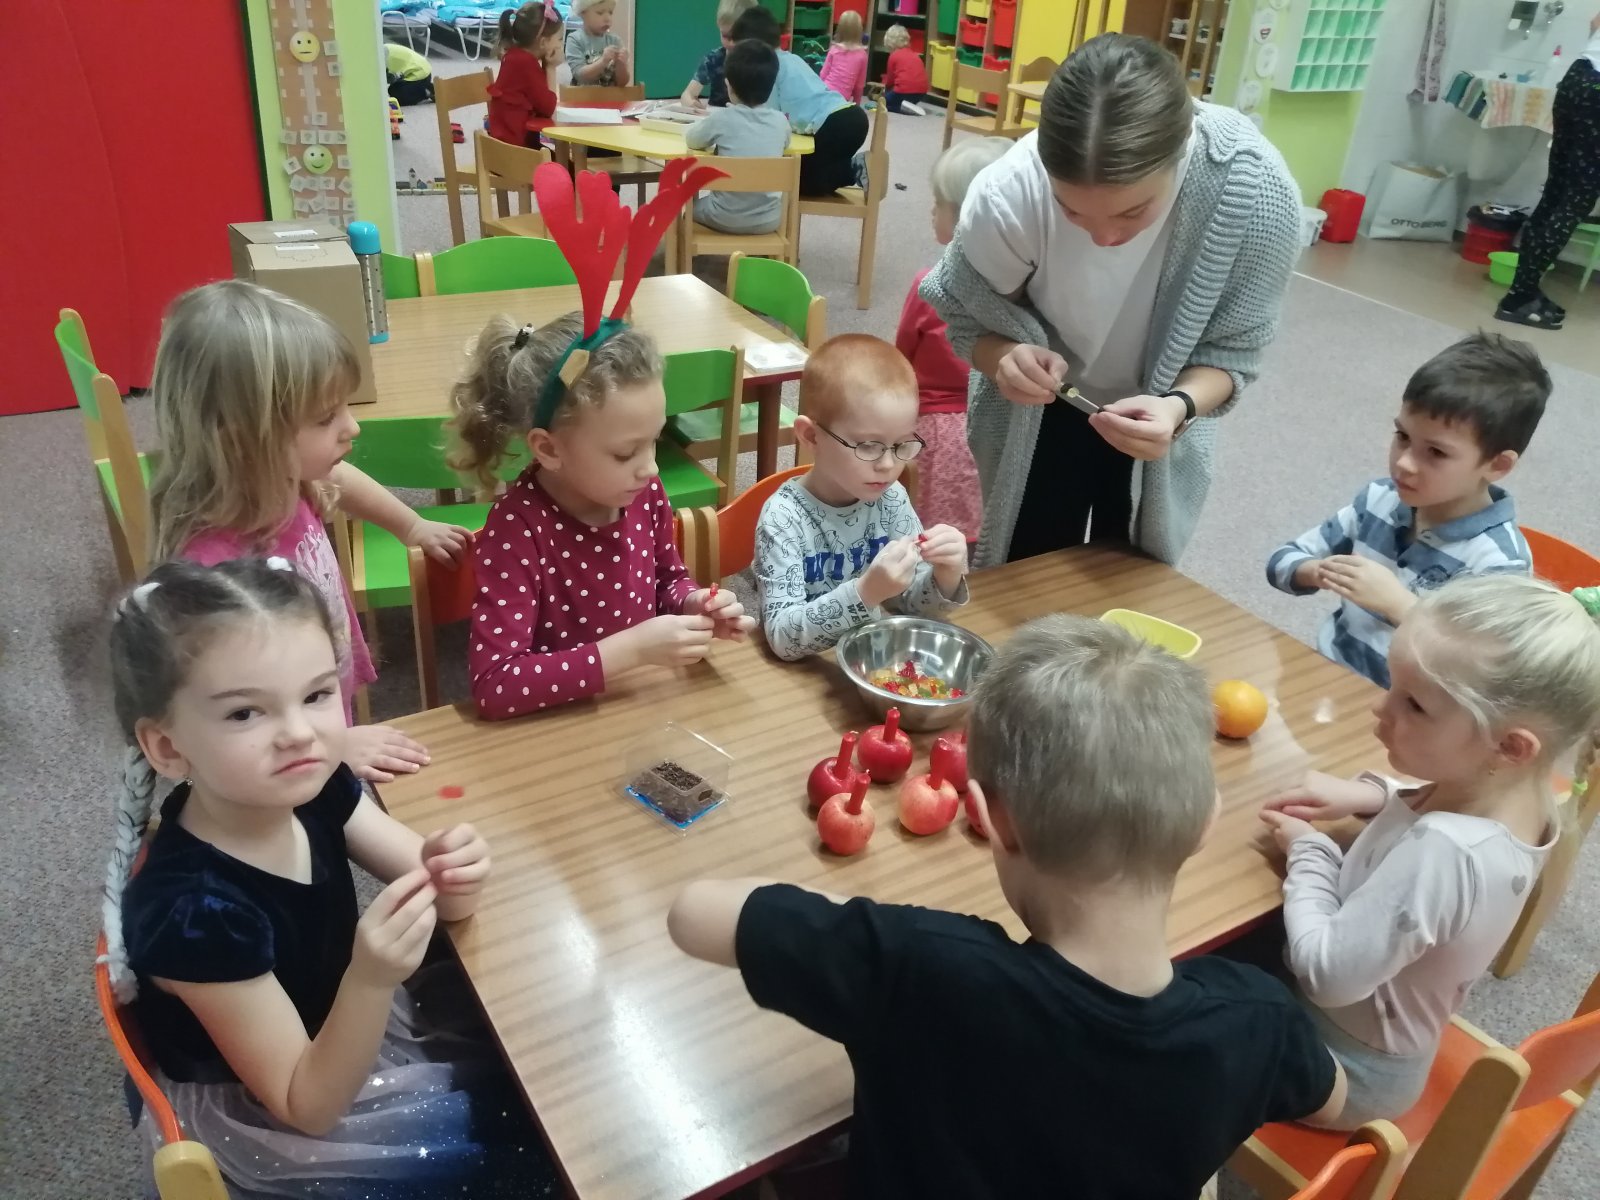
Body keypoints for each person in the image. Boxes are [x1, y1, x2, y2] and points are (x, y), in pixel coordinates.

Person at [668, 614, 1348, 1197]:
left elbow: (695, 913)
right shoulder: (1259, 1021)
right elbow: (1333, 1099)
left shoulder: (918, 969)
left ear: (989, 817)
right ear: (1205, 823)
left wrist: (856, 927)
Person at [101, 558, 557, 1199]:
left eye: (316, 696)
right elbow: (306, 1107)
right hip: (283, 1108)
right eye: (244, 714)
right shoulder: (194, 915)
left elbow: (441, 895)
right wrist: (369, 978)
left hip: (337, 1022)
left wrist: (455, 870)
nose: (299, 734)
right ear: (168, 748)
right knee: (533, 1152)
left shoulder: (312, 785)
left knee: (543, 1053)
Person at [920, 33, 1302, 569]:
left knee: (1130, 571)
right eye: (1072, 211)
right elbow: (964, 316)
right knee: (1027, 566)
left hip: (1160, 417)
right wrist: (1003, 357)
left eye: (1132, 212)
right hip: (1037, 414)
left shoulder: (1255, 193)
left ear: (1180, 154)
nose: (1104, 238)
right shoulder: (1007, 196)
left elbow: (1232, 353)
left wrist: (1178, 407)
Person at [1260, 575, 1600, 1127]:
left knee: (1182, 989)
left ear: (1509, 746)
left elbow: (1326, 976)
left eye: (1414, 704)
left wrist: (1311, 852)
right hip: (1385, 1057)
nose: (1380, 708)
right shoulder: (1524, 802)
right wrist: (1370, 796)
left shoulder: (1443, 851)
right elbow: (1439, 802)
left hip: (1338, 1068)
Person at [147, 279, 465, 783]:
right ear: (243, 440)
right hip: (282, 760)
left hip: (314, 702)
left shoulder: (286, 479)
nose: (352, 427)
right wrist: (332, 748)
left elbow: (341, 478)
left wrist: (411, 525)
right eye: (325, 418)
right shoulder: (216, 574)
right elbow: (235, 726)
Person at [447, 314, 753, 718]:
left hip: (639, 707)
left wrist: (691, 603)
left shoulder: (642, 491)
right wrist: (634, 649)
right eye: (626, 453)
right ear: (549, 449)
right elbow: (496, 685)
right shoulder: (516, 531)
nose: (651, 468)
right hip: (561, 725)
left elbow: (666, 579)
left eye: (655, 441)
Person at [1266, 332, 1548, 688]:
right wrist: (1315, 571)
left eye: (1436, 452)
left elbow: (1484, 672)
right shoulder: (1378, 500)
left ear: (1497, 465)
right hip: (1329, 675)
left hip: (1413, 710)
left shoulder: (1500, 563)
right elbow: (1281, 560)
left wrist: (1400, 606)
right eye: (1402, 436)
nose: (1404, 463)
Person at [754, 334, 969, 661]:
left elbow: (912, 605)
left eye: (901, 444)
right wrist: (866, 593)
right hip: (804, 674)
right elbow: (783, 639)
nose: (888, 465)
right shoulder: (783, 518)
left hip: (870, 661)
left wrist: (946, 575)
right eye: (868, 446)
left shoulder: (891, 499)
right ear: (811, 436)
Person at [895, 138, 1013, 541]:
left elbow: (900, 361)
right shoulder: (1019, 295)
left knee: (920, 534)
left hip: (932, 433)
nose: (932, 211)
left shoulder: (930, 286)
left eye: (939, 204)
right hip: (992, 429)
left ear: (966, 218)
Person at [1494, 12, 1600, 330]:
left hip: (1578, 78)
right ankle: (1518, 300)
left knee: (1554, 195)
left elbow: (1595, 21)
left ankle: (1524, 290)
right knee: (1574, 202)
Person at [731, 6, 869, 196]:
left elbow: (767, 118)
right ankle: (854, 167)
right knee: (807, 169)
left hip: (834, 124)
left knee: (792, 180)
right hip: (851, 116)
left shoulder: (768, 69)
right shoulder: (792, 58)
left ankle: (853, 169)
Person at [684, 40, 791, 235]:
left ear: (728, 85)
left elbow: (692, 139)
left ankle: (685, 251)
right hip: (769, 219)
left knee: (687, 210)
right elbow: (786, 143)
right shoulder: (781, 121)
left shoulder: (722, 118)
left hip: (723, 216)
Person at [487, 1, 564, 147]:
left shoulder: (515, 56)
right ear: (543, 42)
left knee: (558, 158)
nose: (561, 45)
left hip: (505, 143)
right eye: (559, 39)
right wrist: (551, 68)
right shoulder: (526, 64)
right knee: (562, 162)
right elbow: (548, 109)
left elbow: (539, 103)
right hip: (515, 148)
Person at [681, 0, 758, 111]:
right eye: (725, 36)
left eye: (738, 37)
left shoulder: (760, 61)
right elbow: (687, 94)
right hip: (717, 116)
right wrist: (691, 103)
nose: (731, 43)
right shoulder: (713, 59)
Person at [567, 0, 631, 88]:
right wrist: (603, 61)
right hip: (582, 95)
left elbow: (622, 83)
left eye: (610, 12)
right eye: (600, 13)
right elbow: (579, 76)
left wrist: (621, 65)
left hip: (610, 95)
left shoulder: (615, 41)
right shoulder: (575, 39)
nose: (607, 18)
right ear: (583, 13)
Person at [819, 10, 868, 105]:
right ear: (860, 31)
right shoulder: (862, 55)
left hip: (825, 92)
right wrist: (857, 104)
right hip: (842, 99)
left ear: (840, 30)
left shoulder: (834, 49)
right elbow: (859, 85)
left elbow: (823, 74)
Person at [881, 24, 929, 115]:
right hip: (921, 93)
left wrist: (886, 92)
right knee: (901, 98)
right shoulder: (914, 54)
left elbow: (890, 80)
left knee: (883, 103)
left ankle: (901, 108)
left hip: (902, 92)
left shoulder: (893, 56)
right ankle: (908, 105)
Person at [385, 40, 434, 107]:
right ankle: (424, 87)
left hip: (419, 73)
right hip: (420, 69)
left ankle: (426, 90)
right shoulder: (380, 50)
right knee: (392, 90)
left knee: (397, 96)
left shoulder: (380, 57)